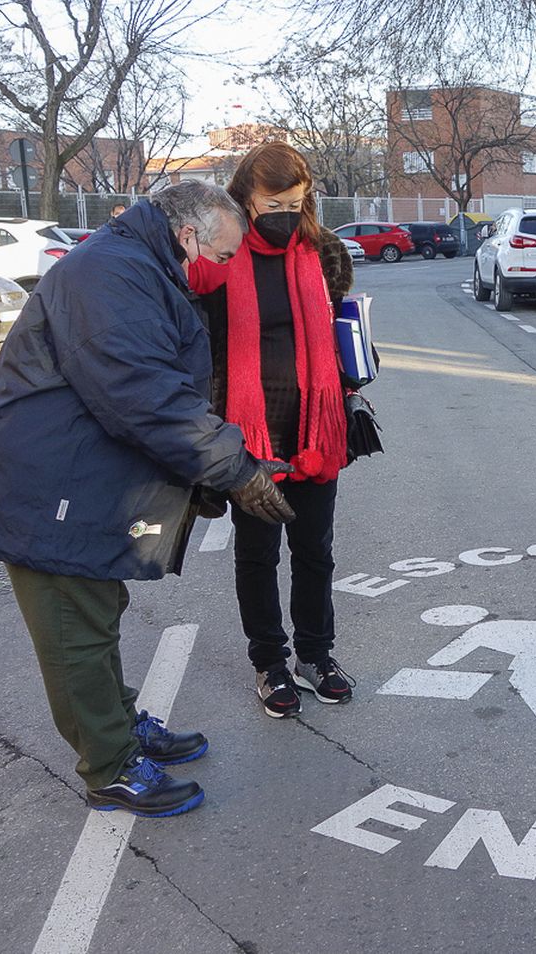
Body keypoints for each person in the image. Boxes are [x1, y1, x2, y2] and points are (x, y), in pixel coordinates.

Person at [0, 181, 296, 819]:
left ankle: (120, 726)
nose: (218, 271)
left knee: (95, 613)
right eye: (219, 257)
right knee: (74, 629)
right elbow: (142, 392)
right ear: (188, 235)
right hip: (47, 486)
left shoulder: (133, 262)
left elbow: (148, 390)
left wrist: (212, 470)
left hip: (72, 479)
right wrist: (231, 468)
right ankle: (109, 767)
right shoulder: (112, 271)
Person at [196, 142, 357, 719]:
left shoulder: (325, 251)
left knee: (315, 550)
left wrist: (357, 364)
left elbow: (341, 326)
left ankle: (316, 655)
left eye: (298, 199)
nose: (289, 211)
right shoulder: (221, 255)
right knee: (258, 553)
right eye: (274, 201)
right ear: (246, 197)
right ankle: (270, 662)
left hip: (317, 427)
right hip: (247, 432)